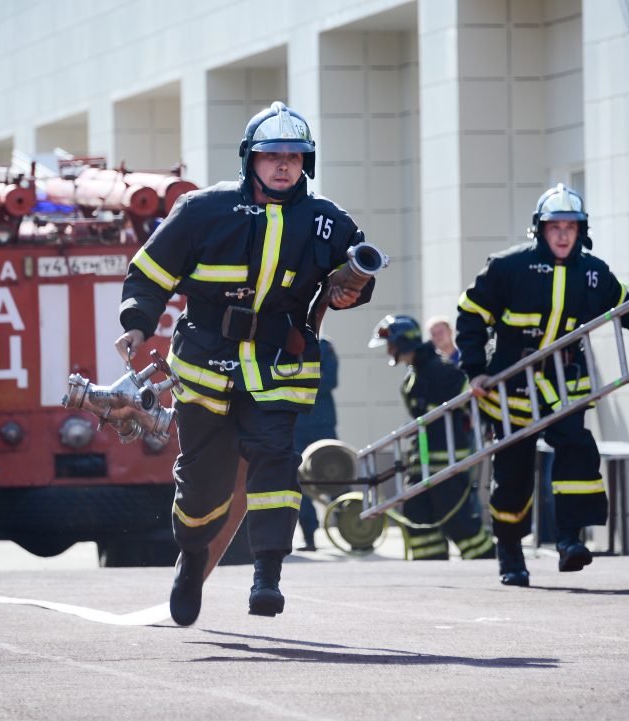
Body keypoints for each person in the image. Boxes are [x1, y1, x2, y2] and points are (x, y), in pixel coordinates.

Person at [115, 101, 375, 625]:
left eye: (295, 156)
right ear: (249, 160)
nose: (284, 165)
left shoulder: (328, 221)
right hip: (205, 364)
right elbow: (148, 275)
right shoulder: (200, 211)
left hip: (279, 365)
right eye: (272, 155)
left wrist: (353, 291)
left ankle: (268, 577)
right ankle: (191, 560)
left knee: (275, 462)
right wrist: (136, 323)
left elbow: (355, 279)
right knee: (203, 486)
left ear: (307, 162)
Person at [456, 183, 629, 586]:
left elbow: (623, 301)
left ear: (582, 231)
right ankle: (510, 553)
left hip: (564, 381)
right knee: (513, 474)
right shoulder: (507, 267)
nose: (563, 234)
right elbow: (471, 315)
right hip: (510, 385)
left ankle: (569, 539)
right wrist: (474, 370)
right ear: (539, 230)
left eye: (571, 226)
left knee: (577, 451)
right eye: (554, 226)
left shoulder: (593, 272)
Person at [369, 314, 495, 561]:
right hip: (421, 464)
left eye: (391, 345)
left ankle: (487, 563)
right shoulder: (412, 376)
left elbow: (476, 405)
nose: (388, 352)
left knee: (459, 523)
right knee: (417, 520)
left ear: (403, 343)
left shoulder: (445, 371)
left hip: (448, 463)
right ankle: (430, 567)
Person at [293, 336, 339, 551]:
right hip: (296, 425)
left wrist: (297, 377)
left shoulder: (324, 347)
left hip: (322, 423)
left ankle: (351, 526)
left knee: (336, 474)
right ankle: (309, 535)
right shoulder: (287, 344)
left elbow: (329, 380)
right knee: (299, 481)